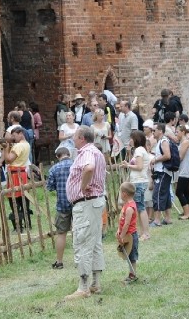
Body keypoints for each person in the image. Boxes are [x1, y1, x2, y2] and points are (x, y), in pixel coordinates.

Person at [65, 125, 107, 300]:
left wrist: (82, 187)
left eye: (75, 136)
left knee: (82, 243)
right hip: (94, 202)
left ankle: (83, 287)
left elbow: (89, 168)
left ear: (82, 138)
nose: (73, 138)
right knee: (95, 242)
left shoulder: (87, 152)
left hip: (86, 203)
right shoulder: (96, 151)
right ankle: (96, 283)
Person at [119, 130, 151, 241]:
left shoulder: (139, 150)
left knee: (140, 208)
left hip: (139, 181)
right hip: (140, 181)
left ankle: (145, 233)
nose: (130, 140)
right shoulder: (139, 150)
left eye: (131, 138)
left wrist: (128, 165)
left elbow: (139, 166)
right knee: (140, 207)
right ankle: (144, 232)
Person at [1, 126, 32, 232]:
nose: (13, 138)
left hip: (15, 174)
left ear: (20, 134)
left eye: (14, 135)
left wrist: (5, 148)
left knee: (14, 200)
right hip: (22, 173)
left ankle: (18, 227)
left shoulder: (18, 146)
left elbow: (9, 160)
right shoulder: (26, 144)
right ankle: (28, 224)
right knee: (23, 200)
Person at [47, 147, 73, 269]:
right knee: (79, 232)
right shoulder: (76, 164)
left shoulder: (54, 168)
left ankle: (59, 261)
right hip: (78, 203)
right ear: (69, 154)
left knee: (61, 234)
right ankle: (80, 259)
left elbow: (50, 187)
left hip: (62, 204)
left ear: (57, 156)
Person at [150, 123, 173, 227]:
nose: (152, 132)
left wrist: (155, 159)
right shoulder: (161, 141)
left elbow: (167, 155)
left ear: (160, 131)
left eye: (154, 130)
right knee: (166, 194)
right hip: (163, 172)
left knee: (158, 194)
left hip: (163, 171)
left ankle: (157, 220)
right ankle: (168, 218)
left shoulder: (163, 141)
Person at [116, 182, 138, 284]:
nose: (120, 194)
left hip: (130, 236)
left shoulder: (130, 208)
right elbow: (121, 220)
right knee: (127, 255)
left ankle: (133, 275)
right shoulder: (126, 205)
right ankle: (131, 273)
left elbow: (127, 224)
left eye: (120, 192)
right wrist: (118, 231)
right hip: (125, 234)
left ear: (124, 194)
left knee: (132, 255)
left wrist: (122, 235)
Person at [176, 125, 189, 220]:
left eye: (177, 132)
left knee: (179, 192)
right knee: (186, 191)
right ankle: (188, 213)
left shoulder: (185, 142)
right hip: (185, 169)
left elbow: (181, 157)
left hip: (185, 170)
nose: (176, 134)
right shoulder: (183, 142)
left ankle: (187, 214)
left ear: (183, 132)